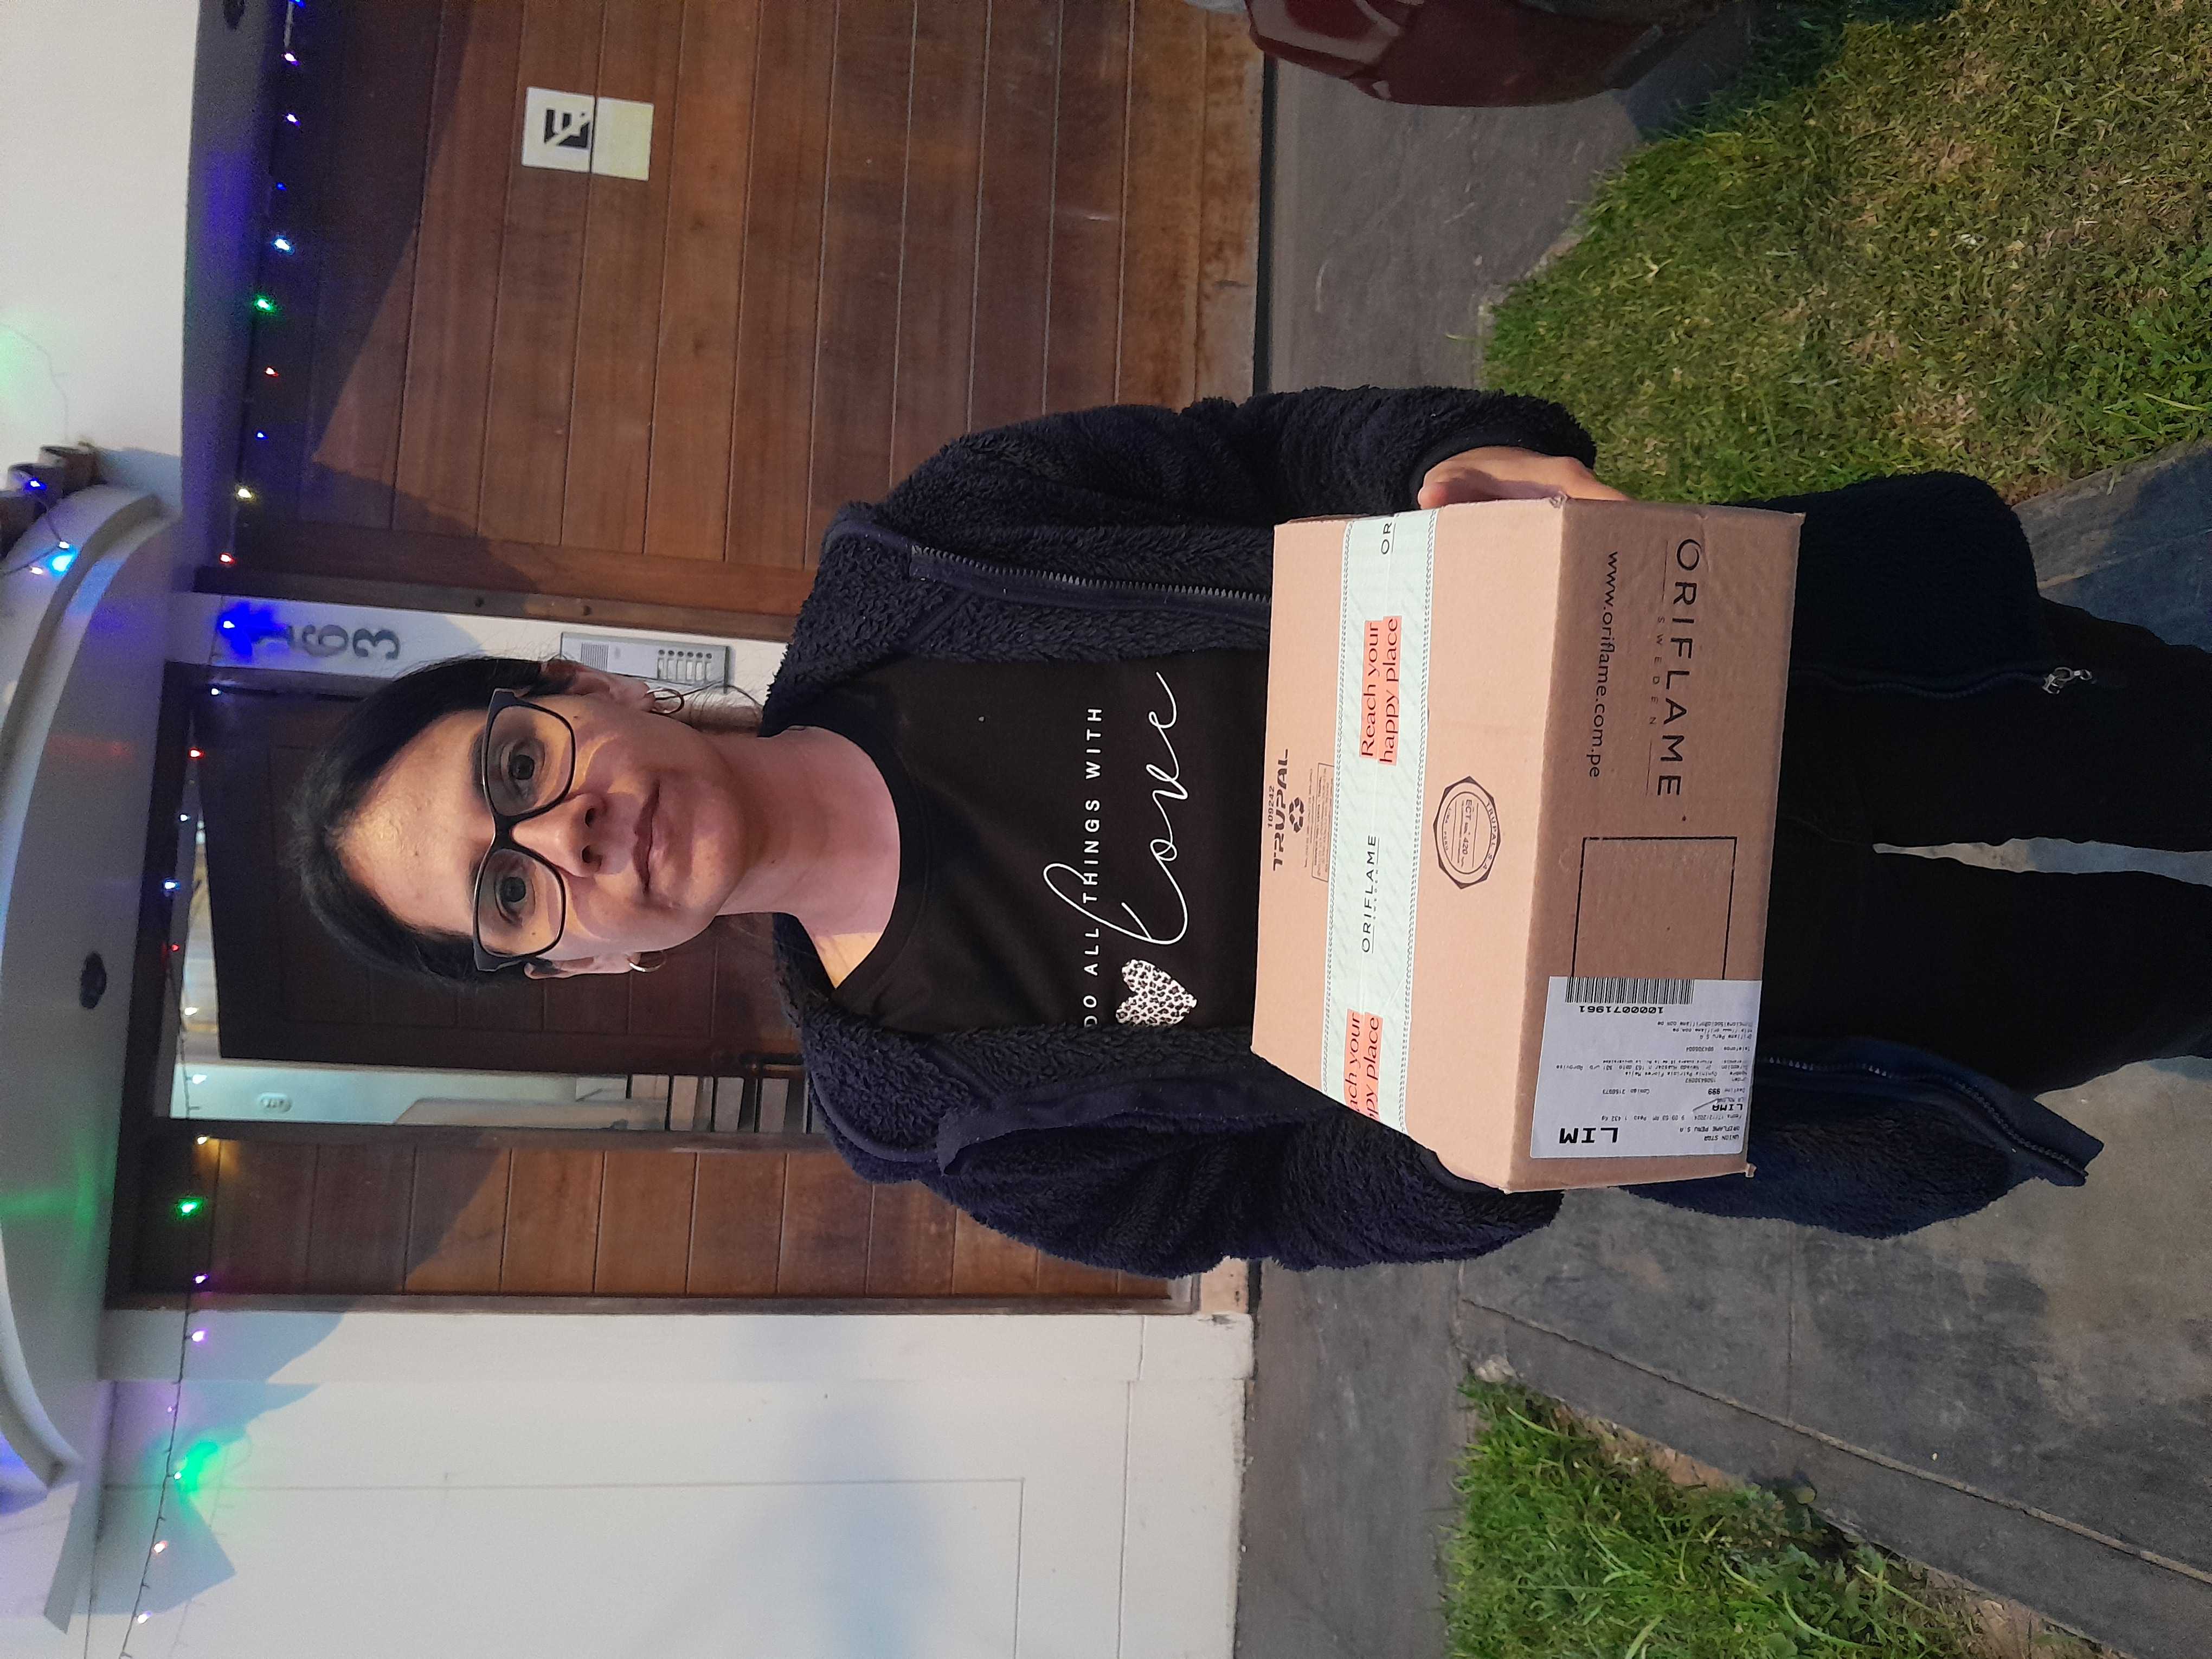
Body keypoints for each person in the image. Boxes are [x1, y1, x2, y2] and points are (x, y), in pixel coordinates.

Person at [298, 381, 2177, 1279]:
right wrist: (1465, 1158)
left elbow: (1265, 461)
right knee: (2150, 980)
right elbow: (1264, 1203)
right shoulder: (936, 1114)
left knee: (2145, 742)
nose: (570, 835)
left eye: (518, 763)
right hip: (1735, 1018)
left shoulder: (936, 549)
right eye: (510, 894)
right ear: (580, 962)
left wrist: (1437, 470)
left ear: (588, 688)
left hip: (1748, 698)